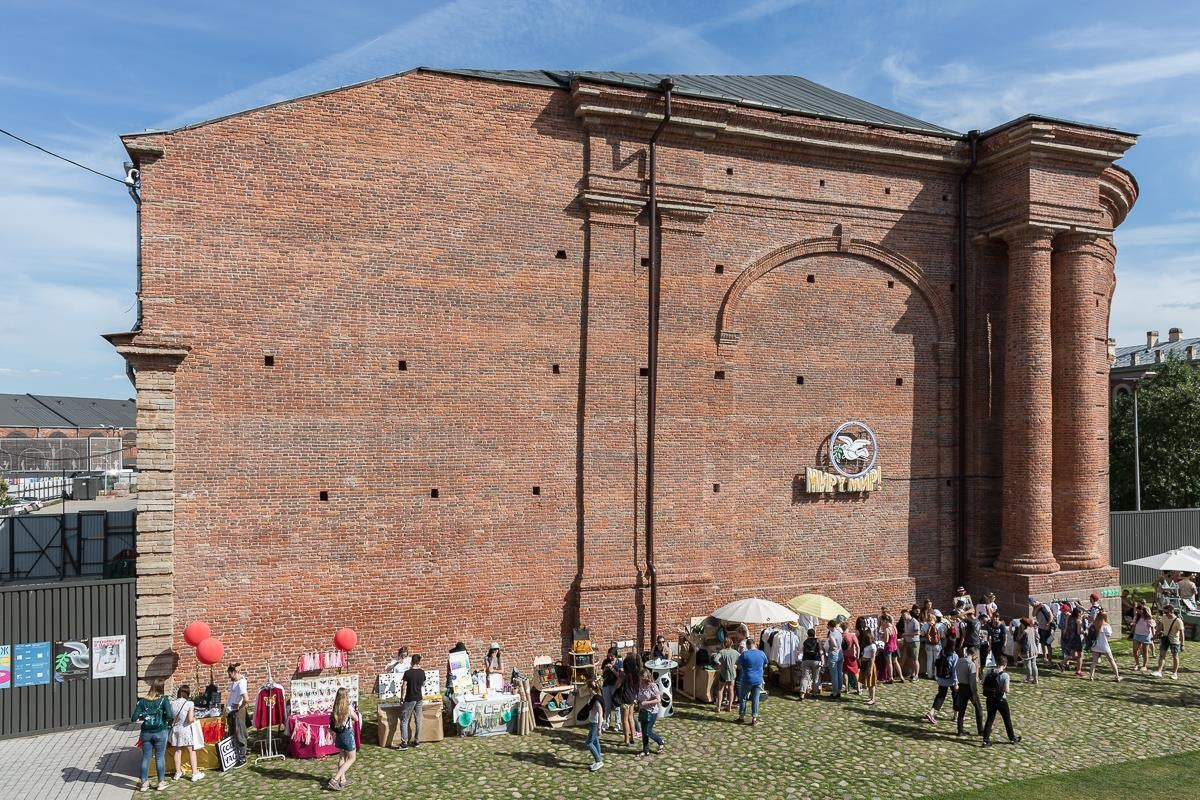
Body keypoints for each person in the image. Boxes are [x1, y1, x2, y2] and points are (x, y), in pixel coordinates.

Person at [131, 677, 173, 792]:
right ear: (161, 688)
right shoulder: (163, 700)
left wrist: (144, 715)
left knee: (146, 757)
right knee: (159, 757)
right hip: (160, 731)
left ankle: (144, 783)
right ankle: (161, 782)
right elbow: (170, 716)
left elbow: (133, 718)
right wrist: (164, 716)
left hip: (146, 733)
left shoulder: (143, 701)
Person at [981, 656, 1021, 747]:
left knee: (990, 718)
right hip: (1001, 700)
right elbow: (1007, 690)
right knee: (1007, 719)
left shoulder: (988, 672)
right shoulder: (1005, 675)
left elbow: (982, 683)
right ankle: (1012, 738)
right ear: (1005, 665)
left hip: (990, 698)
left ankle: (985, 740)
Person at [327, 687, 361, 791]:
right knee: (352, 758)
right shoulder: (348, 708)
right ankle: (335, 779)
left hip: (339, 734)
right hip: (347, 734)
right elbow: (356, 718)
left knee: (342, 758)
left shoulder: (335, 708)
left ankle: (343, 780)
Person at [169, 685, 203, 782]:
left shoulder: (172, 703)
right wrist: (195, 720)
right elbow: (190, 719)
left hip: (176, 729)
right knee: (191, 751)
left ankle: (178, 772)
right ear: (187, 694)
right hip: (186, 729)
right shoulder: (189, 703)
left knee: (177, 751)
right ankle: (195, 773)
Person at [923, 642, 958, 725]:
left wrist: (937, 677)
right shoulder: (954, 656)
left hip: (941, 679)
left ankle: (931, 712)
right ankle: (956, 715)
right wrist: (956, 682)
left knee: (940, 696)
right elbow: (955, 671)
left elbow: (937, 664)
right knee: (956, 697)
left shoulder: (941, 653)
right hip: (951, 680)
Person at [735, 641, 769, 725]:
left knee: (743, 698)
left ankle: (741, 717)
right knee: (755, 699)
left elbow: (738, 664)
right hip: (758, 680)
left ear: (748, 645)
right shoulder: (761, 653)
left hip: (747, 679)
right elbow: (766, 664)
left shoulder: (745, 654)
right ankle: (754, 718)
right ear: (755, 644)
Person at [575, 678, 605, 770]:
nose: (586, 690)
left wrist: (599, 728)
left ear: (591, 689)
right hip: (592, 723)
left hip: (596, 724)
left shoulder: (596, 700)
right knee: (595, 741)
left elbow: (600, 714)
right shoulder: (592, 697)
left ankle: (598, 761)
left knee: (588, 743)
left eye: (587, 688)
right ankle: (598, 759)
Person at [953, 646, 984, 737]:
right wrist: (974, 694)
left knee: (962, 710)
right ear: (974, 655)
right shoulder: (971, 664)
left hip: (961, 686)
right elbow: (972, 682)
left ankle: (960, 729)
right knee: (978, 708)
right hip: (969, 688)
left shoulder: (959, 660)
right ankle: (980, 730)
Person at [397, 654, 425, 750]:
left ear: (411, 661)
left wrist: (401, 697)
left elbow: (403, 686)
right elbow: (423, 683)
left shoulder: (407, 673)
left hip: (409, 698)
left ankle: (404, 743)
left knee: (404, 721)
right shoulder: (422, 672)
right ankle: (417, 741)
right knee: (418, 720)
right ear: (419, 662)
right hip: (419, 698)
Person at [636, 668, 666, 755]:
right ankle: (646, 750)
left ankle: (661, 741)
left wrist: (646, 702)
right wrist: (637, 700)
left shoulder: (653, 686)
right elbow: (640, 696)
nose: (640, 680)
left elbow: (658, 700)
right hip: (643, 711)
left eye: (641, 678)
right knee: (644, 732)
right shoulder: (641, 685)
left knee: (647, 731)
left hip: (652, 712)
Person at [1151, 604, 1185, 679]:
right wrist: (1154, 636)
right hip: (1165, 639)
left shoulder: (1178, 621)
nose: (1165, 614)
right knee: (1162, 655)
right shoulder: (1164, 617)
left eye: (1166, 612)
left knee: (1175, 656)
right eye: (1164, 612)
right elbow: (1160, 626)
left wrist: (1182, 644)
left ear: (1171, 611)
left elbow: (1182, 633)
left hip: (1174, 641)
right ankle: (1159, 671)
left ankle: (1175, 673)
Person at [1087, 610, 1121, 682]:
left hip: (1095, 645)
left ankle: (1091, 676)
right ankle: (1117, 676)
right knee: (1111, 660)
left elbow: (1088, 630)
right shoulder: (1106, 626)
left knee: (1094, 661)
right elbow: (1109, 635)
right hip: (1104, 645)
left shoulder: (1093, 624)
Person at [226, 663, 249, 767]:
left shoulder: (241, 683)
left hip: (238, 711)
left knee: (240, 734)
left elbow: (246, 699)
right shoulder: (236, 681)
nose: (229, 676)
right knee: (234, 733)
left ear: (234, 672)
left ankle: (242, 757)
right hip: (232, 711)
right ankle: (238, 754)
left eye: (230, 674)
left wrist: (239, 707)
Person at [617, 651, 641, 745]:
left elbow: (617, 685)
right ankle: (633, 737)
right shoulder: (636, 673)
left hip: (625, 698)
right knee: (631, 718)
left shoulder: (624, 675)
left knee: (624, 720)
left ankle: (626, 739)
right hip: (632, 697)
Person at [714, 641, 740, 712]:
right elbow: (741, 659)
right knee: (731, 689)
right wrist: (736, 665)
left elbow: (715, 659)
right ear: (731, 644)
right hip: (732, 673)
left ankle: (718, 707)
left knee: (720, 690)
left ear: (724, 644)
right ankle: (729, 707)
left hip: (723, 673)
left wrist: (720, 665)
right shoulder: (735, 652)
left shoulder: (722, 652)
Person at [1030, 597, 1056, 666]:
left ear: (1035, 601)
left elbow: (1051, 616)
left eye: (1032, 604)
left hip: (1047, 628)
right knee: (1042, 643)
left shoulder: (1044, 606)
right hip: (1041, 627)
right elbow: (1033, 614)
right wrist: (1037, 607)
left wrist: (1048, 624)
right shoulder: (1036, 607)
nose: (1032, 605)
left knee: (1048, 644)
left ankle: (1050, 660)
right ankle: (1044, 658)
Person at [798, 628, 822, 699]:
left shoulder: (805, 642)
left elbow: (801, 651)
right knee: (815, 678)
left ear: (807, 634)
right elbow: (820, 651)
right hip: (816, 660)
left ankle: (802, 694)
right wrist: (823, 660)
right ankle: (814, 693)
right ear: (814, 634)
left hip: (806, 660)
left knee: (804, 677)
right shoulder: (818, 641)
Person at [600, 647, 621, 727]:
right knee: (607, 704)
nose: (610, 658)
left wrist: (612, 668)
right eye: (609, 656)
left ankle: (617, 722)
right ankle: (606, 721)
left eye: (612, 656)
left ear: (615, 655)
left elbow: (619, 676)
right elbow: (603, 674)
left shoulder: (619, 662)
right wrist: (606, 668)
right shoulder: (605, 661)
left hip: (615, 685)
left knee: (616, 704)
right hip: (606, 684)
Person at [1063, 606, 1085, 676]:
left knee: (1073, 655)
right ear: (1078, 613)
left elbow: (1066, 627)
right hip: (1077, 639)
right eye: (1080, 613)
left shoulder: (1069, 618)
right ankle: (1078, 670)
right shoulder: (1078, 621)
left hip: (1070, 638)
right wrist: (1085, 632)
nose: (1081, 614)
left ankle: (1064, 663)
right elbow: (1079, 632)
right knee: (1080, 655)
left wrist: (1065, 635)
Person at [922, 610, 945, 678]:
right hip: (937, 645)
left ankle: (929, 675)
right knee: (936, 660)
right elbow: (942, 636)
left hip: (928, 645)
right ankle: (936, 675)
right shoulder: (939, 626)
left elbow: (922, 634)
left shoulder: (925, 625)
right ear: (934, 619)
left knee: (929, 660)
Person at [825, 619, 844, 699]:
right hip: (840, 654)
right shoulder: (839, 633)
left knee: (834, 674)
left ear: (830, 626)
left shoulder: (831, 634)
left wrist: (831, 648)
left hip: (834, 654)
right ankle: (839, 690)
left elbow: (834, 645)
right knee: (839, 672)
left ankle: (835, 692)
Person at [1131, 605, 1154, 672]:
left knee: (1145, 652)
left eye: (1139, 610)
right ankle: (1137, 664)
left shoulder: (1148, 618)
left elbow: (1152, 627)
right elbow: (1134, 625)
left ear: (1142, 610)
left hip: (1145, 636)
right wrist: (1131, 633)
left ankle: (1144, 666)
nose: (1137, 611)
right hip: (1137, 635)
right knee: (1135, 650)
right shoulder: (1137, 617)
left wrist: (1153, 636)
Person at [1016, 618, 1039, 684]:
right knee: (1034, 665)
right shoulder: (1033, 629)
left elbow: (1019, 640)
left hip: (1027, 650)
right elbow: (1038, 638)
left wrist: (1018, 633)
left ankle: (1029, 678)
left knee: (1028, 665)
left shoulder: (1025, 631)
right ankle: (1035, 679)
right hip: (1034, 649)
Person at [859, 629, 878, 706]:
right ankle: (870, 697)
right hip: (865, 664)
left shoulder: (873, 646)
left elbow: (872, 658)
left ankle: (873, 699)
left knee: (871, 683)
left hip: (870, 665)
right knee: (868, 682)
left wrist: (870, 668)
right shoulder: (867, 646)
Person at [902, 609, 921, 683]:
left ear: (908, 614)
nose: (903, 617)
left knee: (915, 659)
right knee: (910, 659)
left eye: (904, 615)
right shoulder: (905, 621)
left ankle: (916, 676)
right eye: (902, 616)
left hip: (914, 642)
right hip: (908, 641)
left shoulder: (914, 622)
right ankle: (913, 673)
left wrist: (906, 635)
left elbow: (917, 633)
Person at [842, 621, 861, 695]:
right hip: (852, 656)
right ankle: (858, 689)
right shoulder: (852, 636)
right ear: (848, 627)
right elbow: (857, 646)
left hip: (844, 656)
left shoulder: (841, 635)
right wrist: (858, 656)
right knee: (855, 672)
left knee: (845, 672)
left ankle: (847, 689)